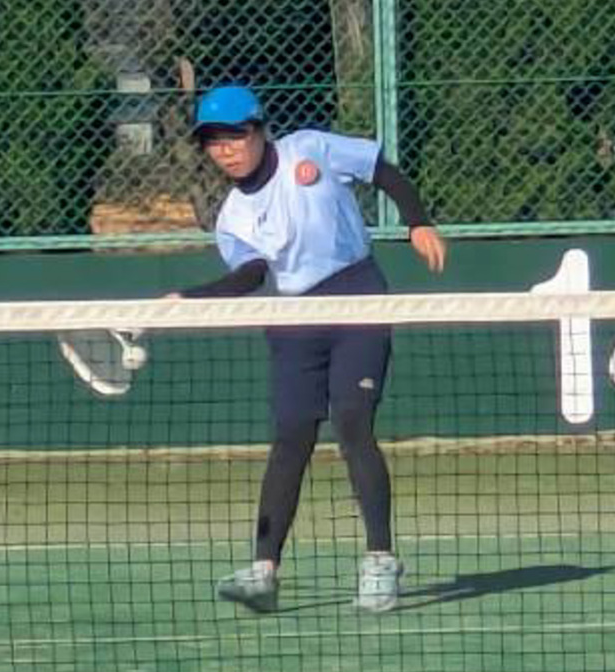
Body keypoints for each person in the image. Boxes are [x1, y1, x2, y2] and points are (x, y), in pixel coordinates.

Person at [168, 85, 446, 613]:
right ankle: (263, 572)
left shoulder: (309, 148)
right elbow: (251, 275)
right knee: (292, 435)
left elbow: (380, 170)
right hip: (293, 319)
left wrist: (417, 221)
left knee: (352, 420)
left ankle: (380, 561)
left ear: (259, 130)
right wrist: (189, 297)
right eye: (213, 141)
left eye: (235, 136)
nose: (226, 149)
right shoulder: (232, 217)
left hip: (357, 295)